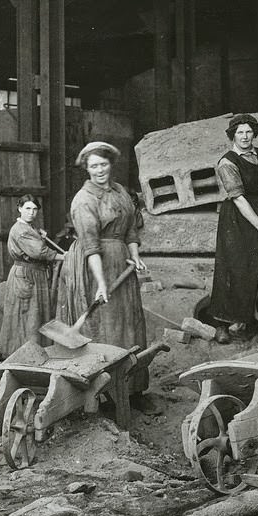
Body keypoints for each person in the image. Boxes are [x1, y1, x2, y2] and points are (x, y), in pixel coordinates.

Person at [55, 142, 148, 389]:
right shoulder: (83, 200)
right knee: (105, 325)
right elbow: (90, 245)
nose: (99, 170)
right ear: (86, 168)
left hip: (121, 264)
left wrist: (135, 254)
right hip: (94, 265)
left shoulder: (120, 193)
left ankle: (132, 389)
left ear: (111, 165)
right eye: (94, 166)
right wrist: (101, 283)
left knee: (128, 321)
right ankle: (102, 390)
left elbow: (130, 230)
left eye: (103, 164)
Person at [210, 114, 258, 344]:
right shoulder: (227, 162)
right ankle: (223, 323)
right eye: (240, 132)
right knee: (237, 267)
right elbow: (238, 198)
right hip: (239, 219)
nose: (245, 137)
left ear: (254, 134)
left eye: (248, 132)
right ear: (232, 135)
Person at [0, 195, 63, 357]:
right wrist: (64, 256)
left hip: (35, 273)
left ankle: (37, 353)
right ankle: (23, 355)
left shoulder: (30, 228)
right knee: (27, 316)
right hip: (26, 275)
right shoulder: (20, 230)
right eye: (27, 208)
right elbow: (39, 251)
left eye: (34, 209)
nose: (31, 213)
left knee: (36, 315)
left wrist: (39, 235)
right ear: (19, 209)